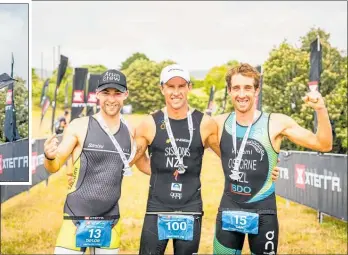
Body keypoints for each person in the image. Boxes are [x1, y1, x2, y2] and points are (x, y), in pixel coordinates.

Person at [131, 64, 281, 254]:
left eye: (181, 86)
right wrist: (162, 171)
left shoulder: (204, 124)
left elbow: (232, 156)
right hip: (156, 208)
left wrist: (264, 170)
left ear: (189, 88)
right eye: (170, 86)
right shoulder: (148, 123)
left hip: (191, 209)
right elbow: (135, 158)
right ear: (162, 88)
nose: (176, 92)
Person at [212, 63, 332, 254]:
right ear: (229, 90)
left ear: (257, 90)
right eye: (236, 88)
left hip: (263, 211)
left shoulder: (276, 123)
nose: (241, 94)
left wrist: (321, 109)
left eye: (247, 88)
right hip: (229, 209)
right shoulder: (217, 123)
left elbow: (324, 144)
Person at [44, 69, 150, 255]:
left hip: (110, 218)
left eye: (117, 93)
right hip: (76, 216)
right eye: (106, 93)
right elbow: (55, 164)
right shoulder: (80, 125)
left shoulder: (131, 132)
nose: (111, 98)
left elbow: (136, 164)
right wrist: (49, 156)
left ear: (125, 94)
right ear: (97, 94)